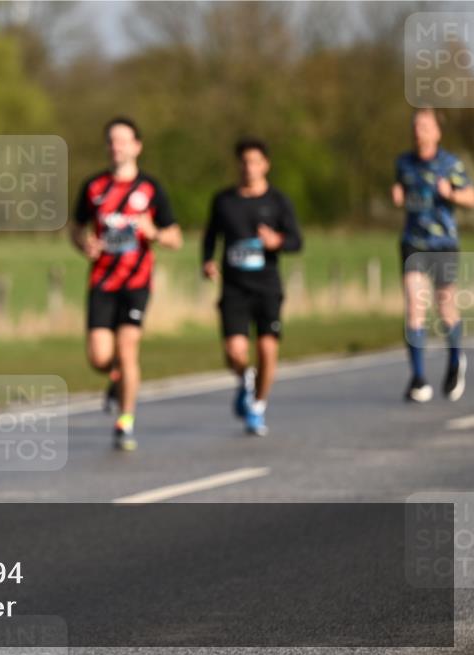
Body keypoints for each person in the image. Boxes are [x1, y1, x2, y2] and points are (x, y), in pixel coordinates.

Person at [72, 117, 182, 451]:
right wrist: (84, 244)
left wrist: (155, 234)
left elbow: (175, 237)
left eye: (122, 140)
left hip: (136, 281)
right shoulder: (93, 187)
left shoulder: (151, 188)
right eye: (111, 141)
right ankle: (115, 377)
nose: (116, 146)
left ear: (137, 146)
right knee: (98, 356)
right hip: (102, 280)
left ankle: (125, 421)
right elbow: (76, 229)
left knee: (127, 347)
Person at [202, 137, 302, 436]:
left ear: (265, 165)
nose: (249, 167)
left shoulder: (278, 202)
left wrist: (278, 241)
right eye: (244, 162)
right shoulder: (224, 201)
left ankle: (257, 406)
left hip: (267, 286)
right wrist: (207, 261)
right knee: (234, 352)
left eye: (255, 162)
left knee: (268, 349)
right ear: (238, 165)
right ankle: (246, 379)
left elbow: (297, 241)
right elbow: (210, 237)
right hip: (234, 287)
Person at [391, 108, 473, 403]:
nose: (419, 131)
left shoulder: (450, 164)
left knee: (445, 306)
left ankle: (454, 361)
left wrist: (451, 193)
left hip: (443, 243)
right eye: (415, 125)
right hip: (413, 242)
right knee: (414, 305)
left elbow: (471, 197)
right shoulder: (403, 163)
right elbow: (403, 189)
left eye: (425, 126)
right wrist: (398, 194)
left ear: (437, 132)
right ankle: (418, 378)